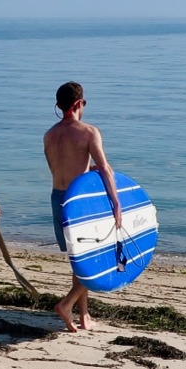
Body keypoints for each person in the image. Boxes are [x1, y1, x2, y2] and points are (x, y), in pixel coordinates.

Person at [44, 81, 122, 332]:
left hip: (58, 198)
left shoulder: (49, 135)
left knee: (78, 258)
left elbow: (59, 170)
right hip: (80, 202)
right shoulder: (89, 132)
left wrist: (86, 169)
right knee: (94, 258)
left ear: (59, 106)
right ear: (79, 104)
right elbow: (106, 169)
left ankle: (85, 316)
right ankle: (66, 304)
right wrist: (117, 204)